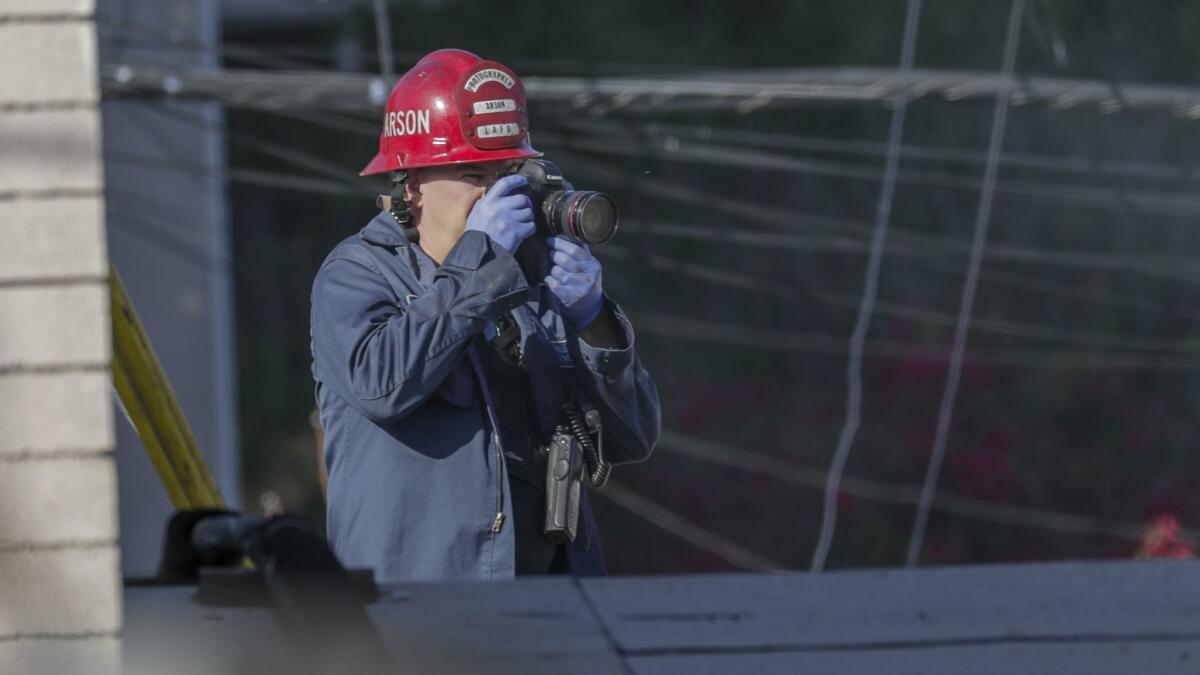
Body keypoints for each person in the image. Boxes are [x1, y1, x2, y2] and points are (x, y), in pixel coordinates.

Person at [309, 49, 660, 583]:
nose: (497, 194)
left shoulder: (524, 279)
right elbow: (380, 385)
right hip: (420, 619)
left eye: (507, 172)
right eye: (475, 174)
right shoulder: (357, 273)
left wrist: (594, 322)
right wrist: (480, 264)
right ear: (412, 184)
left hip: (549, 608)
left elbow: (634, 438)